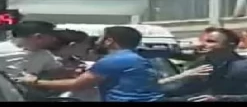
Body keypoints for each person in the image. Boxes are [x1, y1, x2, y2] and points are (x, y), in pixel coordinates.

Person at [16, 26, 166, 102]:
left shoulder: (113, 60)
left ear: (109, 41)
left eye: (100, 38)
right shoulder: (136, 58)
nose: (96, 42)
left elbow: (77, 85)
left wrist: (34, 82)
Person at [165, 27, 247, 102]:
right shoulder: (199, 65)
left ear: (230, 46)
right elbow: (181, 92)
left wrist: (220, 99)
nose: (201, 45)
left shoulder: (244, 67)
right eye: (201, 41)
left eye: (210, 41)